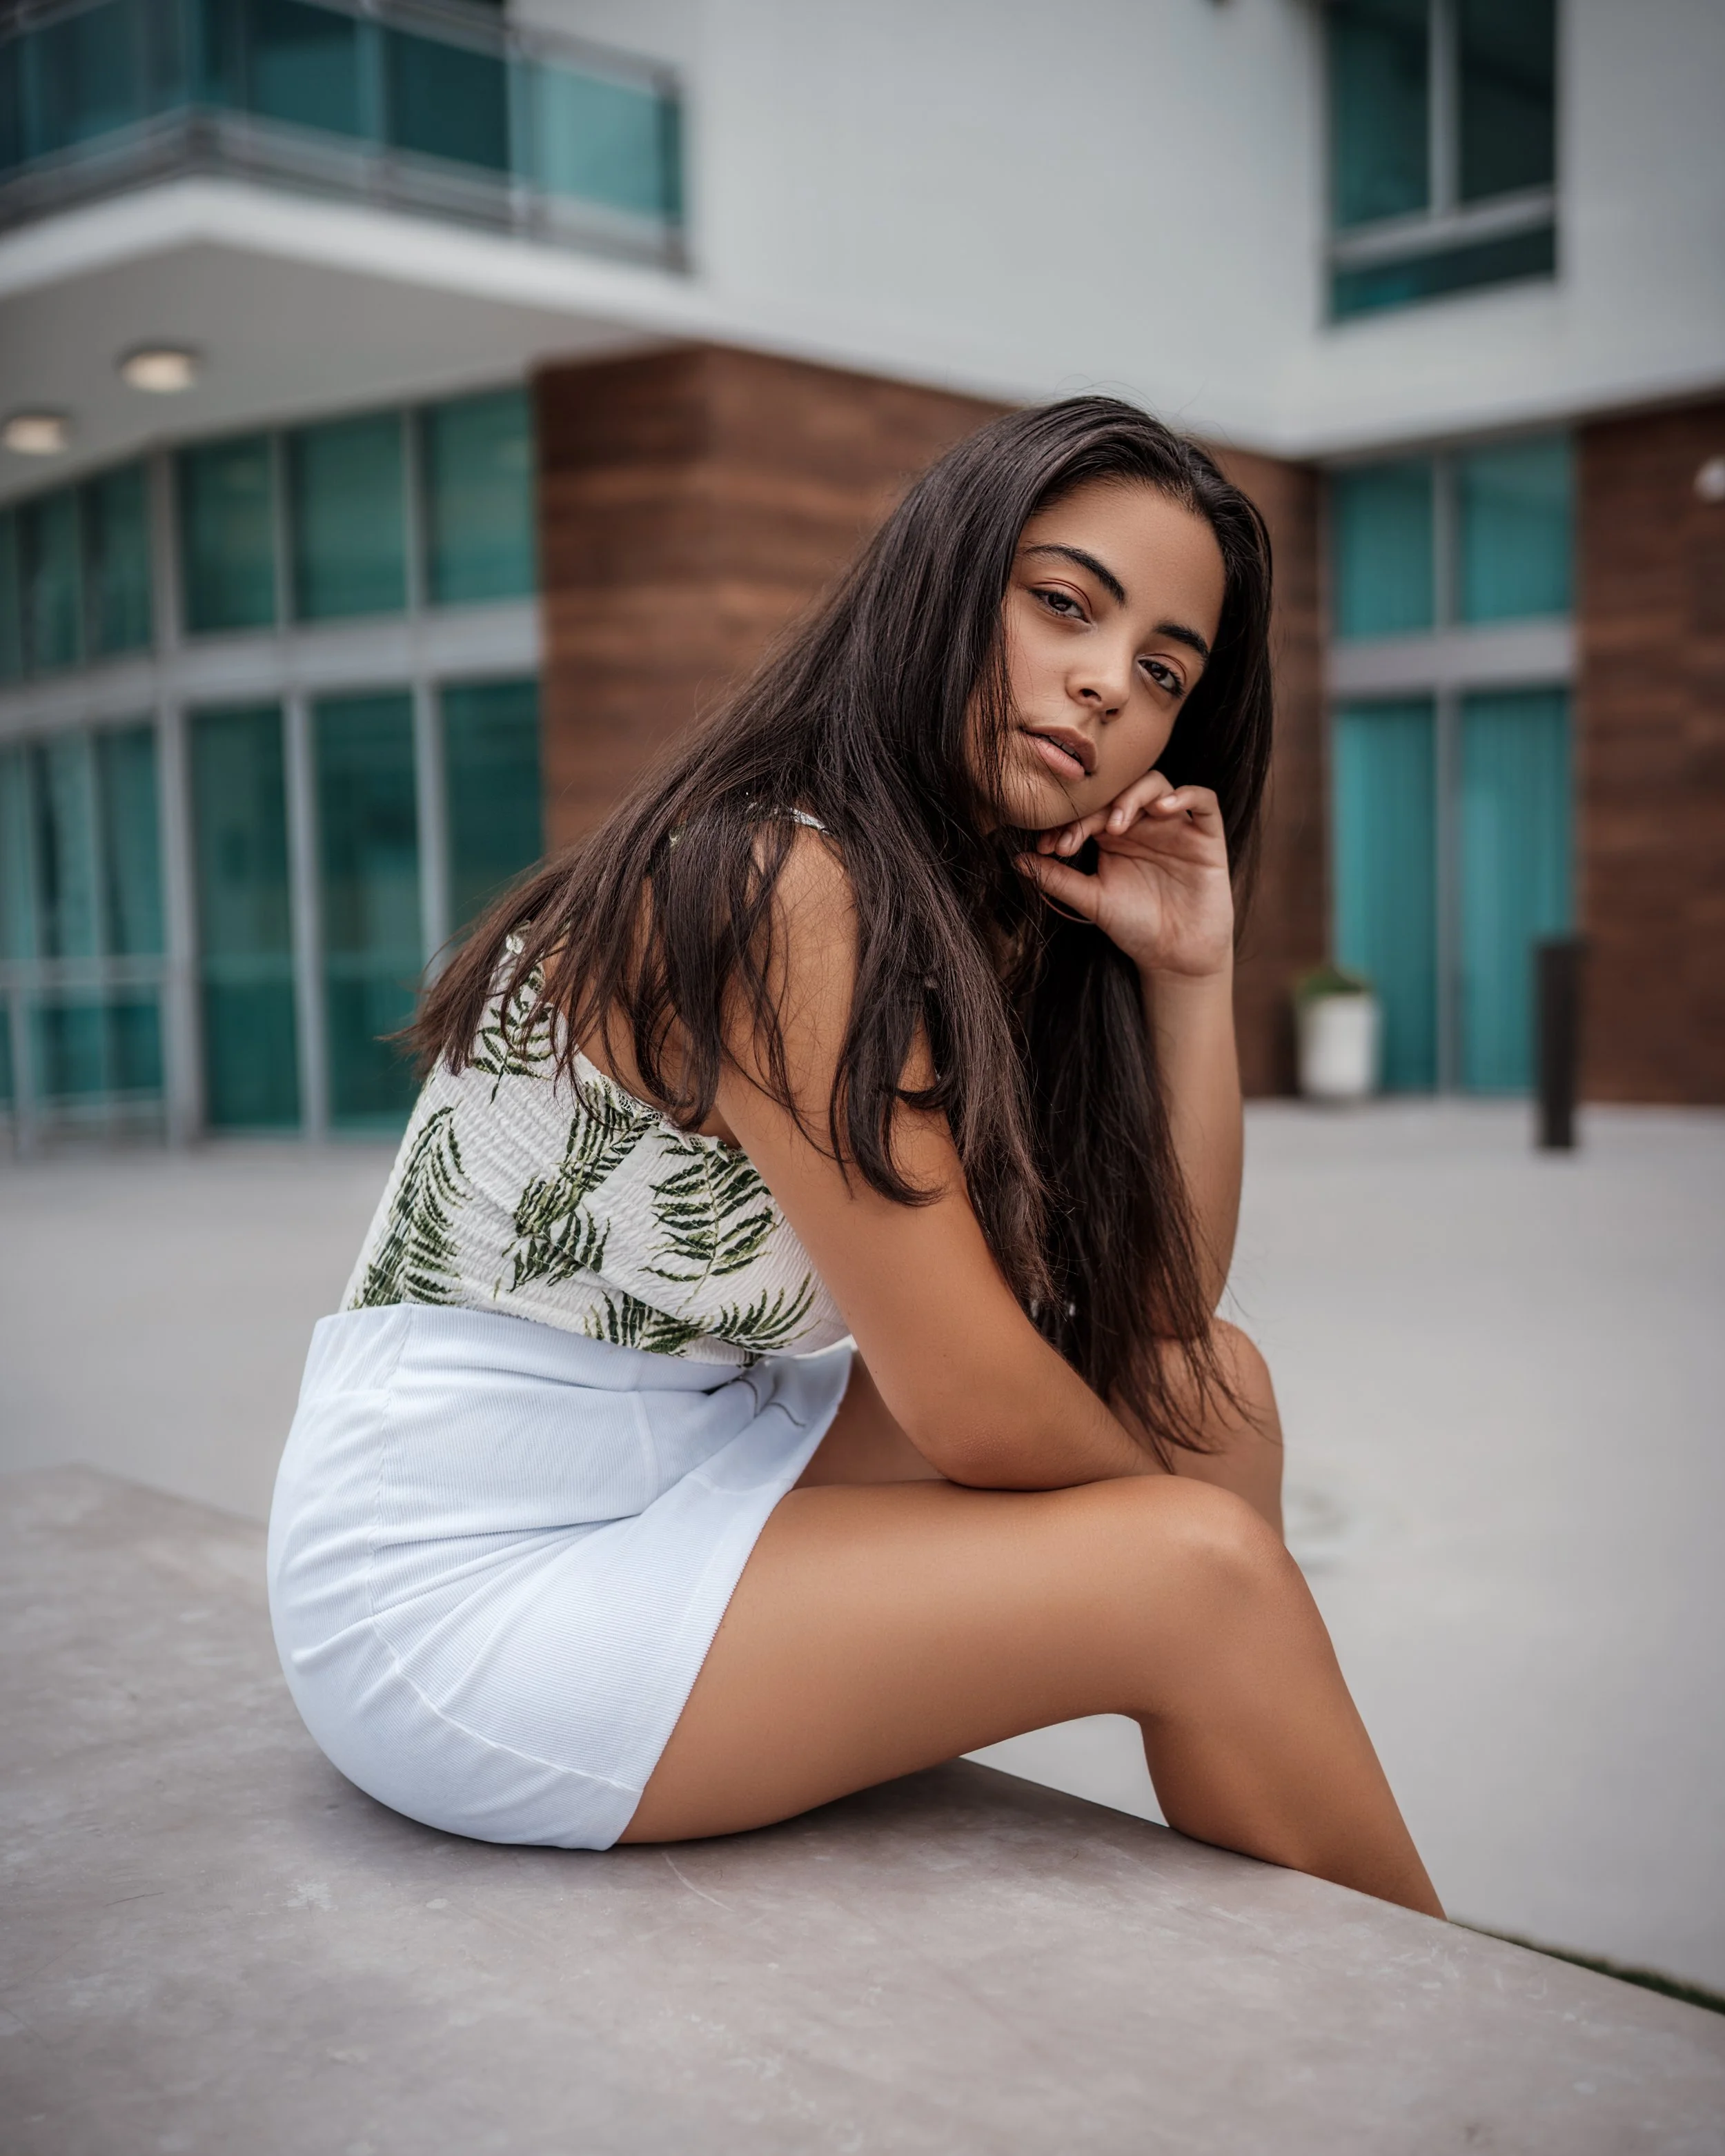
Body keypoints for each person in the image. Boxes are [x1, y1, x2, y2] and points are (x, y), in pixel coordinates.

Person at [267, 397, 1442, 1919]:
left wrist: (1189, 976)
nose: (1103, 682)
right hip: (459, 1578)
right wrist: (1187, 1541)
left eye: (1159, 670)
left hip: (691, 1440)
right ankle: (1471, 2045)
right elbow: (969, 1408)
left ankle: (1297, 1903)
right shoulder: (776, 885)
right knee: (1194, 1567)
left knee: (1210, 1391)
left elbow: (1158, 1308)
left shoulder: (958, 902)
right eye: (1063, 605)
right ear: (946, 581)